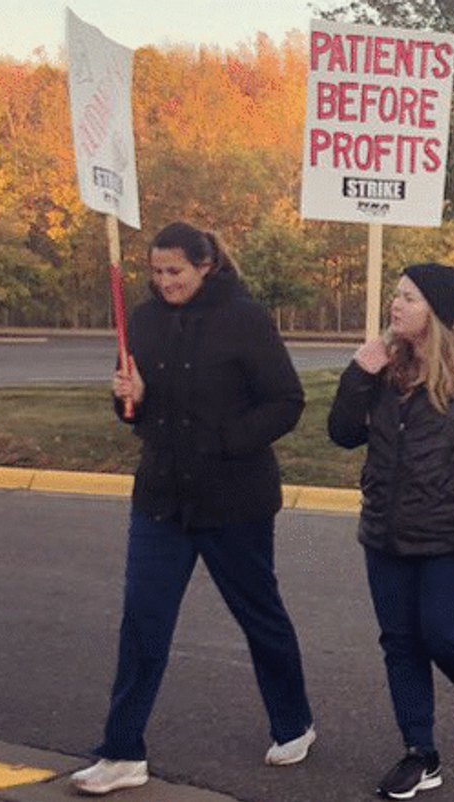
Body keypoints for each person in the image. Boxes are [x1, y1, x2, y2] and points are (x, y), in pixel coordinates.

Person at [72, 222, 315, 795]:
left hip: (235, 499)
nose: (165, 282)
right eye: (157, 272)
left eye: (175, 271)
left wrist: (225, 440)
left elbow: (287, 401)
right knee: (143, 621)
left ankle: (293, 722)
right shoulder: (142, 320)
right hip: (161, 497)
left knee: (259, 615)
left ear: (206, 266)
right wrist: (128, 398)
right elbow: (135, 411)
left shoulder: (245, 318)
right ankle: (122, 751)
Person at [327, 263, 454, 799]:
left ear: (436, 310)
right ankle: (420, 753)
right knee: (401, 643)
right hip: (386, 531)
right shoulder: (383, 365)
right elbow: (342, 433)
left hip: (452, 534)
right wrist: (358, 374)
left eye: (408, 297)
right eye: (396, 294)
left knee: (444, 636)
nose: (396, 304)